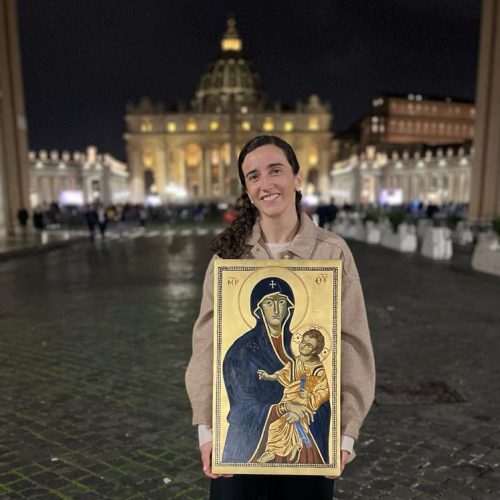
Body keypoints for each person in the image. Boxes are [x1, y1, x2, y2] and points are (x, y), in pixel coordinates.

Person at [185, 135, 375, 500]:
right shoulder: (228, 257)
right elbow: (207, 346)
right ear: (247, 188)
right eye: (253, 176)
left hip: (311, 435)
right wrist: (206, 429)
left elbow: (352, 344)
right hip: (242, 440)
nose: (266, 183)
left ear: (297, 177)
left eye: (276, 170)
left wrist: (347, 433)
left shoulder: (332, 252)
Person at [254, 329, 329, 465]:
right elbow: (283, 373)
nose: (303, 346)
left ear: (315, 350)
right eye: (303, 342)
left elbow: (323, 391)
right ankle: (288, 447)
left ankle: (285, 448)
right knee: (277, 425)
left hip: (305, 402)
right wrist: (269, 376)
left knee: (288, 421)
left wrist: (310, 395)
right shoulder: (295, 362)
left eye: (309, 345)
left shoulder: (318, 370)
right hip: (289, 399)